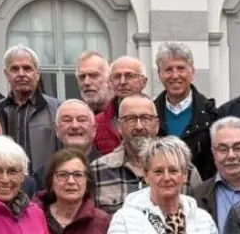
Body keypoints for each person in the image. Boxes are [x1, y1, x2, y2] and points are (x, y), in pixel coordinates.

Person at [92, 94, 200, 216]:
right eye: (131, 119)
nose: (139, 126)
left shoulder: (185, 170)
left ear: (157, 125)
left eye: (145, 119)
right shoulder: (98, 171)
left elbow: (198, 222)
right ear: (119, 126)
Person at [40, 148, 110, 234]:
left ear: (87, 182)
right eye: (62, 174)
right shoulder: (35, 219)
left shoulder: (104, 223)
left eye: (78, 175)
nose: (71, 181)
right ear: (51, 182)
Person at [155, 41, 221, 181]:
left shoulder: (212, 115)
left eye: (181, 68)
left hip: (199, 195)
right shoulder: (150, 115)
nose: (175, 75)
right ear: (159, 74)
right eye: (168, 70)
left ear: (192, 72)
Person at [0, 45, 62, 173]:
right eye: (15, 69)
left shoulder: (56, 109)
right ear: (6, 74)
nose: (21, 74)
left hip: (44, 186)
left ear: (38, 74)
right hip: (4, 183)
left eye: (27, 68)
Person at [190, 117, 240, 233]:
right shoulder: (197, 196)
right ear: (213, 152)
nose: (231, 155)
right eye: (223, 149)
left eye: (238, 148)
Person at [93, 56, 151, 155]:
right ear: (110, 83)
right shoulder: (96, 123)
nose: (122, 82)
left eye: (129, 76)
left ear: (144, 82)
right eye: (117, 76)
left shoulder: (158, 117)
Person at [37, 99, 98, 190]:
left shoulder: (109, 168)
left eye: (81, 120)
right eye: (67, 120)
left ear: (94, 129)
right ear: (57, 130)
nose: (74, 126)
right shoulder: (44, 173)